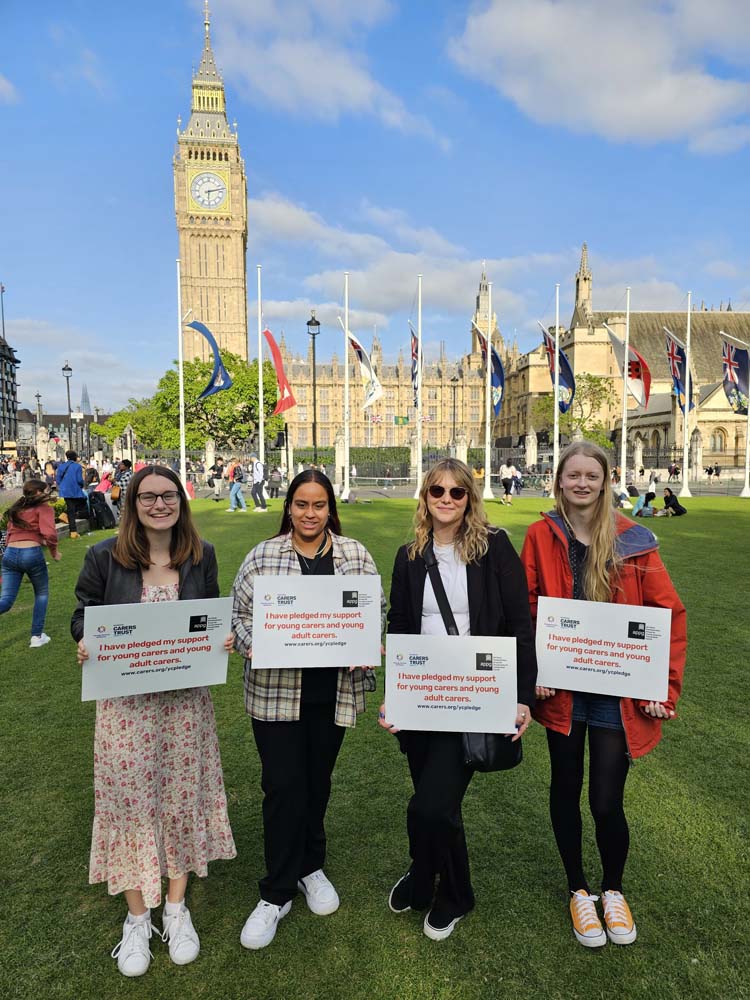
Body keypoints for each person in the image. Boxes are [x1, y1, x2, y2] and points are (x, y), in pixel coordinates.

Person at [71, 466, 236, 977]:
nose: (159, 504)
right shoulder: (103, 555)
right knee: (129, 800)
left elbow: (209, 613)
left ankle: (176, 907)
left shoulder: (200, 555)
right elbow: (83, 614)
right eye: (148, 496)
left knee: (182, 794)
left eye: (168, 496)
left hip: (184, 705)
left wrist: (220, 638)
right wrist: (86, 640)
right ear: (132, 502)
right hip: (126, 706)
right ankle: (137, 918)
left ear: (181, 502)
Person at [521, 441, 686, 949]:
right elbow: (525, 610)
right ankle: (578, 889)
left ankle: (612, 890)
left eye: (592, 475)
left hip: (616, 694)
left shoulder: (634, 540)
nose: (582, 483)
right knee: (565, 790)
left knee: (605, 801)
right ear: (559, 480)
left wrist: (664, 686)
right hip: (564, 691)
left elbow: (668, 614)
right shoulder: (539, 534)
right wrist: (533, 673)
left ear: (606, 480)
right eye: (574, 475)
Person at [378, 458, 536, 941]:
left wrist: (522, 698)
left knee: (429, 806)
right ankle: (425, 877)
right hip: (423, 697)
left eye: (456, 492)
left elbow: (520, 626)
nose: (446, 500)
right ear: (424, 497)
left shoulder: (495, 547)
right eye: (437, 491)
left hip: (474, 696)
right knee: (437, 805)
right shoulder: (409, 556)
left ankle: (456, 892)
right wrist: (394, 696)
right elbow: (401, 626)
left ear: (470, 498)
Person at [231, 469, 383, 950]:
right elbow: (238, 617)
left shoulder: (354, 554)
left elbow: (374, 614)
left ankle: (310, 867)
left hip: (331, 693)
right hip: (275, 694)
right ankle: (275, 890)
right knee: (281, 787)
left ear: (329, 508)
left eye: (318, 505)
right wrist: (256, 643)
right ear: (288, 507)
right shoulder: (263, 556)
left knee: (317, 783)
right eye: (301, 504)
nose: (310, 514)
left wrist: (367, 643)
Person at [0, 478, 60, 646]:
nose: (49, 492)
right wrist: (54, 552)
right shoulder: (44, 508)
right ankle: (36, 636)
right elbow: (50, 534)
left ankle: (37, 636)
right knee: (41, 594)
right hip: (30, 553)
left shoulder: (16, 508)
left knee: (6, 601)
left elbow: (10, 534)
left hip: (10, 554)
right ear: (39, 492)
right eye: (47, 490)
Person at [56, 450, 87, 539]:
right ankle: (73, 531)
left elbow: (58, 479)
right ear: (75, 457)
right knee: (81, 503)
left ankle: (66, 518)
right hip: (75, 489)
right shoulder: (77, 466)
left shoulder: (61, 466)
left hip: (65, 490)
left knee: (71, 509)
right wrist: (82, 484)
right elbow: (79, 480)